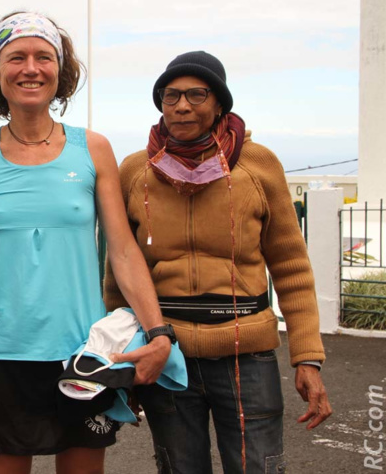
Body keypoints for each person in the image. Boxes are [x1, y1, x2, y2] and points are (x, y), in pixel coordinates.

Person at [0, 12, 173, 474]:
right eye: (16, 57)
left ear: (61, 71)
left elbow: (123, 249)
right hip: (3, 352)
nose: (30, 68)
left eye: (44, 57)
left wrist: (159, 334)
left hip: (81, 352)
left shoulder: (92, 149)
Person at [104, 51, 332, 473]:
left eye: (196, 94)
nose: (182, 105)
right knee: (178, 468)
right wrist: (122, 357)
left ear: (220, 104)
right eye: (170, 95)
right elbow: (118, 274)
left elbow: (292, 267)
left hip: (248, 354)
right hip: (166, 352)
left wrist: (307, 358)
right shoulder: (136, 170)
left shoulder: (258, 165)